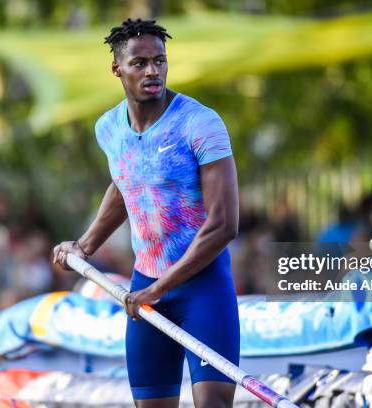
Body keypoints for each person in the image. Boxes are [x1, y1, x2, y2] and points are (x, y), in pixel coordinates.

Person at [53, 18, 240, 408]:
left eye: (160, 60)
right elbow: (127, 184)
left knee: (214, 404)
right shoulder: (108, 128)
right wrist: (84, 246)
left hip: (201, 288)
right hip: (145, 287)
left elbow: (224, 225)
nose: (152, 70)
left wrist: (160, 288)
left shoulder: (200, 123)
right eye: (140, 63)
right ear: (117, 69)